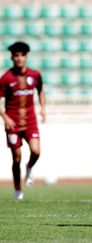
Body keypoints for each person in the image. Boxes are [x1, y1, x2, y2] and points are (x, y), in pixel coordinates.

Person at [0, 41, 46, 200]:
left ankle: (29, 167)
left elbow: (40, 89)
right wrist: (5, 117)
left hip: (30, 122)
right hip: (12, 123)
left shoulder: (35, 75)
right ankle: (17, 190)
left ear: (26, 57)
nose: (19, 58)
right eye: (16, 56)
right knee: (16, 157)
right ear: (12, 58)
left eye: (22, 55)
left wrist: (43, 109)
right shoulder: (6, 78)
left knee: (36, 151)